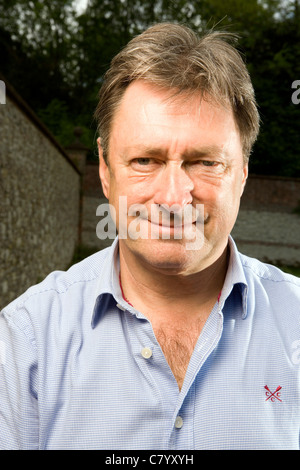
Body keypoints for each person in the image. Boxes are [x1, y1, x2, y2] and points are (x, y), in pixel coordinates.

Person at [0, 23, 299, 451]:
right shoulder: (25, 343)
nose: (175, 198)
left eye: (205, 162)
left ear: (243, 174)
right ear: (105, 171)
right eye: (145, 159)